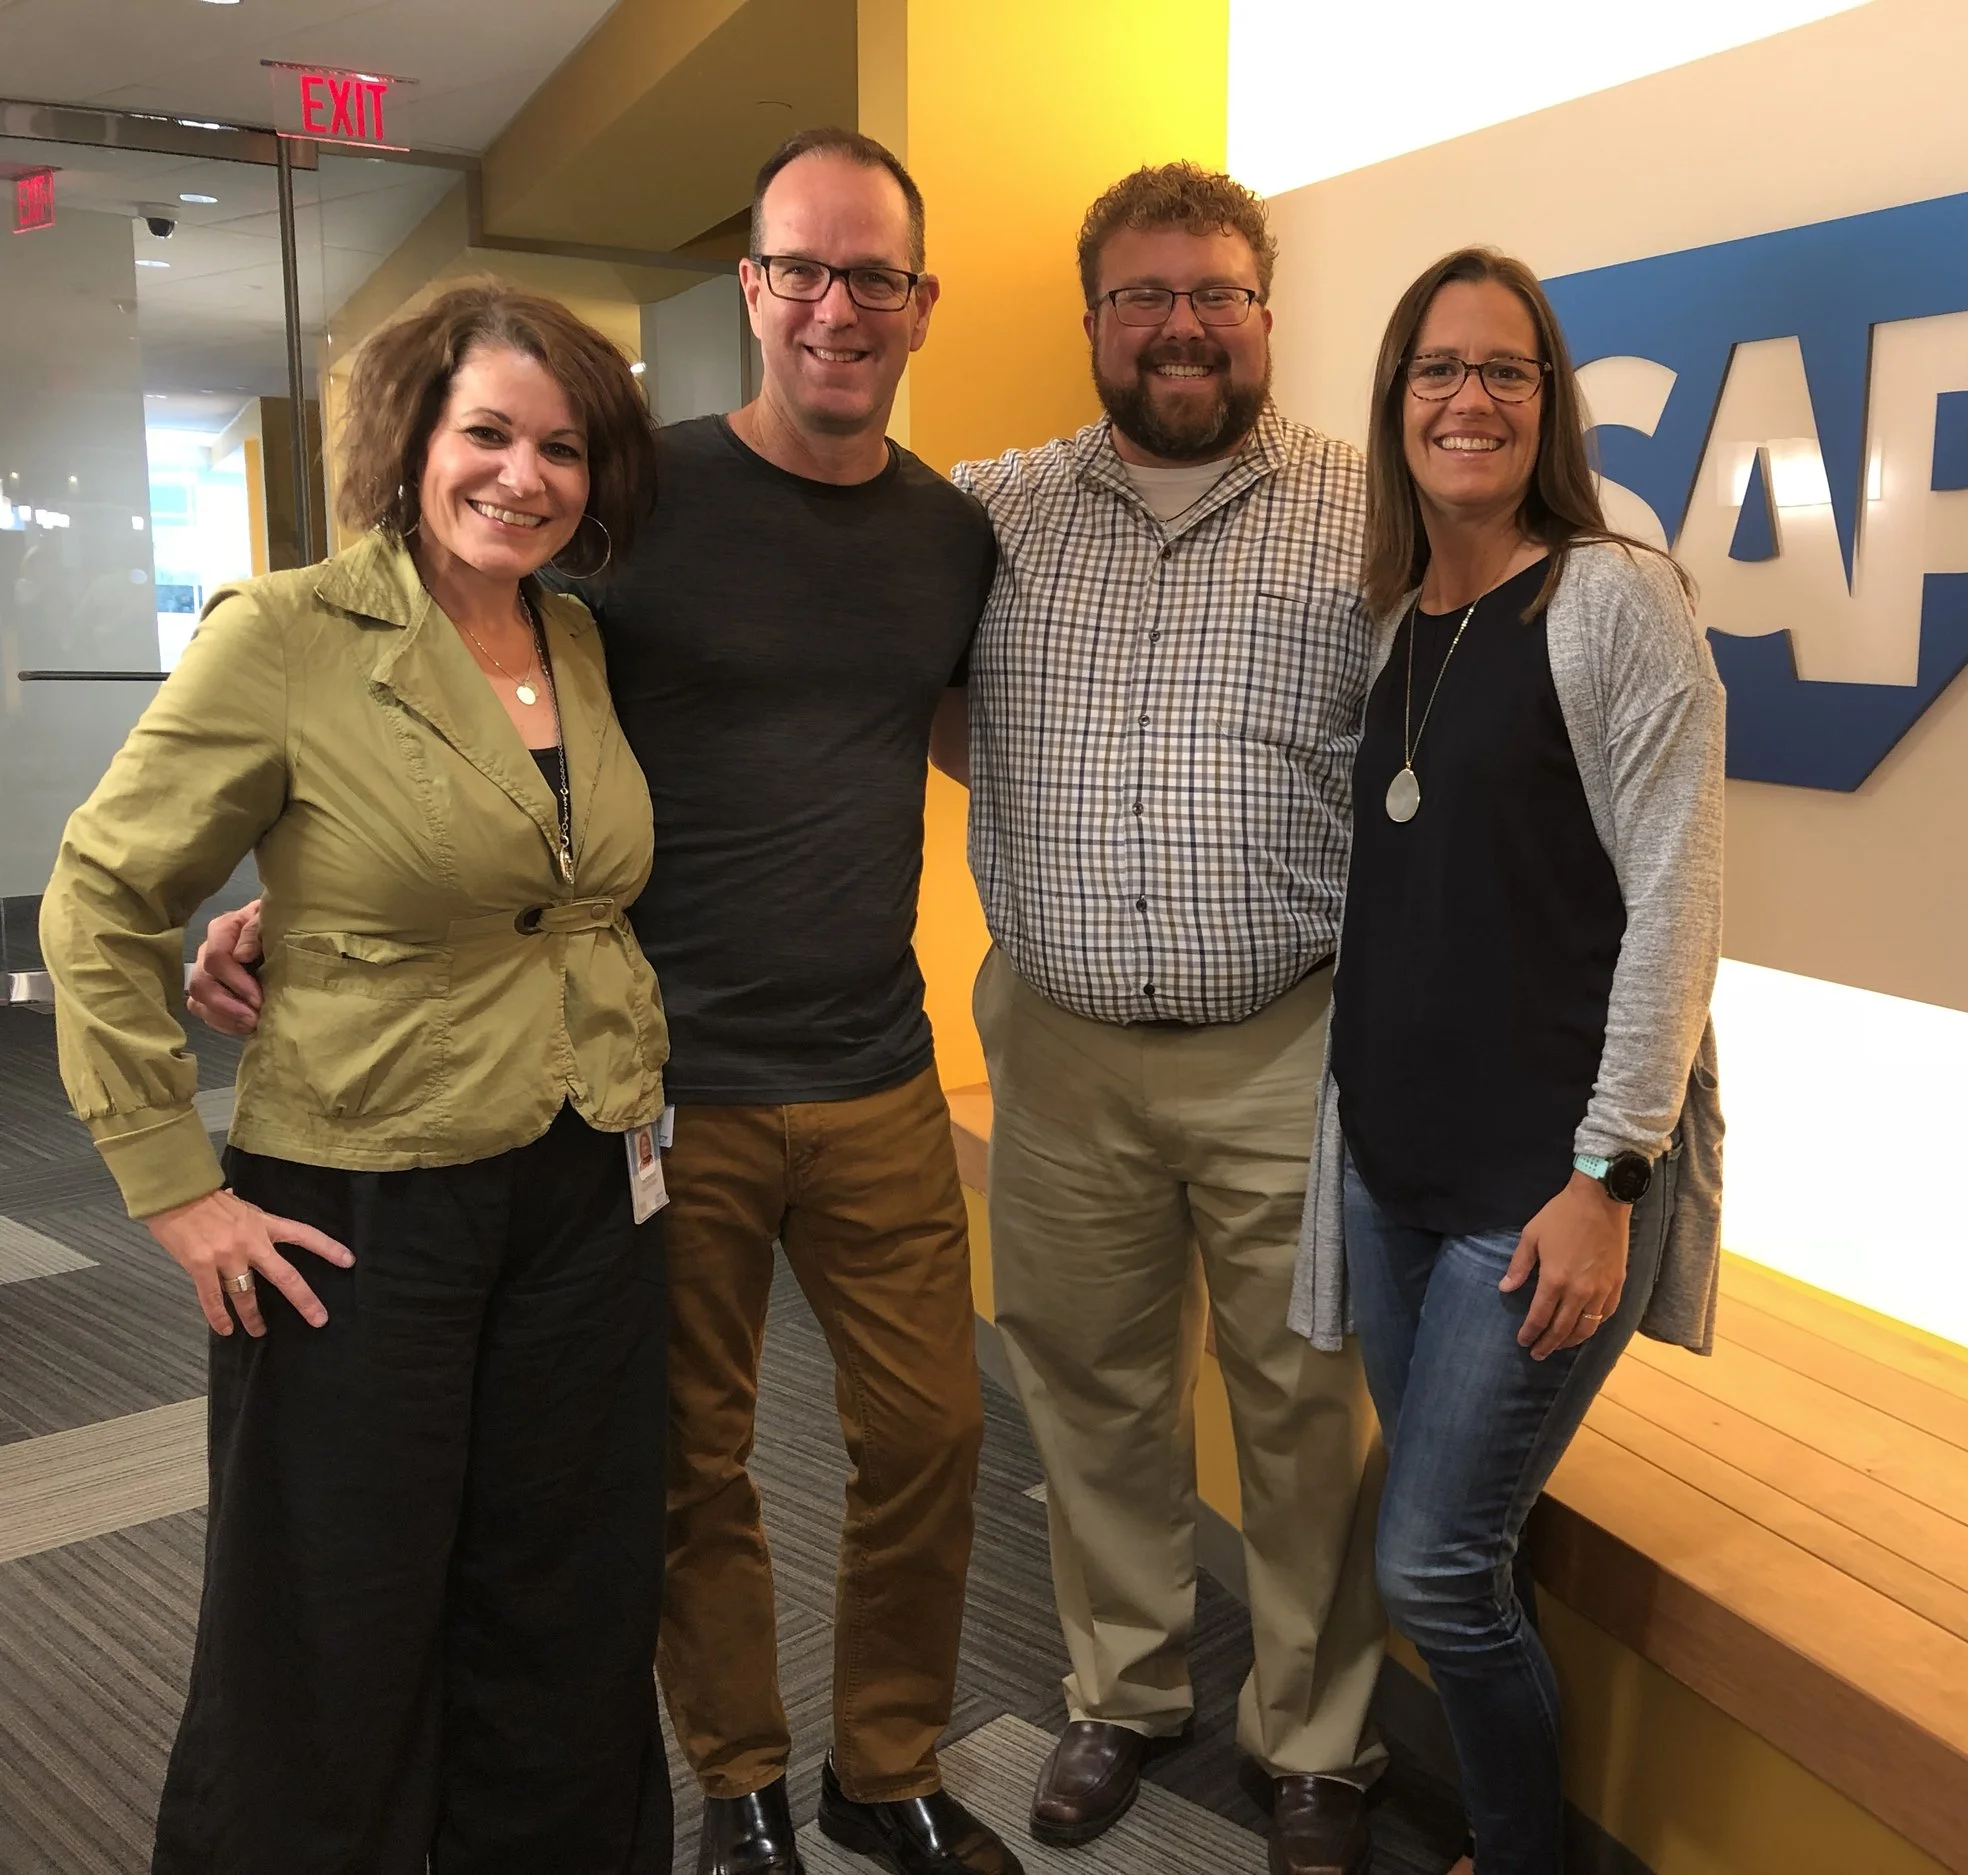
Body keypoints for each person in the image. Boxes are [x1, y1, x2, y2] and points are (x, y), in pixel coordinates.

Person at [188, 128, 1017, 1875]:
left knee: (932, 1433)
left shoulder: (954, 537)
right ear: (753, 287)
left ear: (921, 303)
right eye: (801, 267)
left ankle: (891, 1761)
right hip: (653, 1080)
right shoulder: (635, 506)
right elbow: (452, 691)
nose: (837, 306)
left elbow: (960, 741)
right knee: (684, 1468)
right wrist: (302, 886)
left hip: (876, 1064)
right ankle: (740, 1785)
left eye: (875, 275)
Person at [47, 283, 673, 1873]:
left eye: (560, 446)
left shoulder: (577, 637)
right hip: (362, 1191)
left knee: (562, 1581)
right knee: (335, 1598)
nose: (522, 475)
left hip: (589, 1169)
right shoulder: (288, 634)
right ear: (412, 440)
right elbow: (101, 895)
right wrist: (176, 1194)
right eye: (487, 433)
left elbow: (529, 874)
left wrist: (297, 910)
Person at [947, 163, 1387, 1875]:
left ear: (1267, 314)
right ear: (1091, 323)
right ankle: (1121, 1693)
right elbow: (898, 707)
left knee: (1299, 1401)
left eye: (1215, 292)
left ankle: (1318, 1740)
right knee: (1090, 1388)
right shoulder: (988, 513)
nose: (1182, 324)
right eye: (1145, 295)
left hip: (1292, 1038)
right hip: (1054, 1040)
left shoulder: (1371, 516)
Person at [1290, 247, 1727, 1875]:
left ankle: (1521, 1851)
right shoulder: (1399, 619)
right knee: (1468, 1542)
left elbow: (1678, 901)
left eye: (1504, 370)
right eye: (1436, 370)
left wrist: (1613, 1175)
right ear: (1396, 403)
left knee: (1430, 1565)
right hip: (1398, 1176)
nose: (1467, 398)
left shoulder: (1614, 594)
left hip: (1539, 1192)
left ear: (1546, 408)